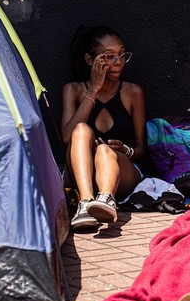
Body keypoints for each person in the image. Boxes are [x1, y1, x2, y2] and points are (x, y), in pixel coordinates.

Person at [61, 25, 147, 231]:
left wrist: (125, 150)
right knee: (81, 129)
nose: (118, 63)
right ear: (91, 60)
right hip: (83, 175)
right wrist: (93, 90)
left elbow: (143, 151)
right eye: (109, 57)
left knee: (104, 150)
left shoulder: (132, 92)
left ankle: (106, 200)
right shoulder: (73, 90)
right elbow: (66, 138)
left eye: (121, 55)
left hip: (121, 173)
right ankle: (85, 202)